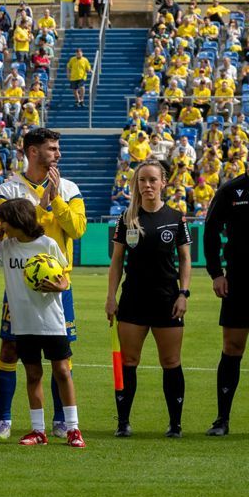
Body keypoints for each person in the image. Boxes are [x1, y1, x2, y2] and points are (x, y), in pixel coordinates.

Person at [0, 128, 85, 438]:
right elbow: (19, 228)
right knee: (9, 350)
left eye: (58, 148)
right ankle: (4, 420)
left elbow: (77, 228)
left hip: (58, 283)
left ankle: (62, 421)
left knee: (62, 356)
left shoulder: (70, 188)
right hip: (18, 284)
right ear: (33, 151)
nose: (58, 154)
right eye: (52, 149)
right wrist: (44, 206)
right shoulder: (7, 190)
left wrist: (55, 201)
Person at [0, 198, 83, 447]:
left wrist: (61, 285)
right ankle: (38, 431)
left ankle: (73, 429)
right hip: (23, 324)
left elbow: (64, 279)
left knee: (62, 372)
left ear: (19, 221)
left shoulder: (48, 244)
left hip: (51, 322)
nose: (1, 224)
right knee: (33, 374)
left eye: (4, 219)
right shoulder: (6, 247)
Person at [107, 159, 191, 437]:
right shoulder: (126, 218)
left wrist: (183, 293)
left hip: (167, 299)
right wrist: (111, 296)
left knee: (171, 362)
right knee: (128, 361)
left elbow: (185, 259)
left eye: (152, 180)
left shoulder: (176, 217)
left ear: (163, 182)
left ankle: (175, 425)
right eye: (142, 180)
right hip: (133, 300)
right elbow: (117, 260)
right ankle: (123, 423)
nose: (147, 185)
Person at [200, 167, 249, 436]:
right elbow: (210, 231)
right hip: (239, 281)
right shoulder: (231, 190)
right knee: (232, 347)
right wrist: (217, 273)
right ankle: (222, 419)